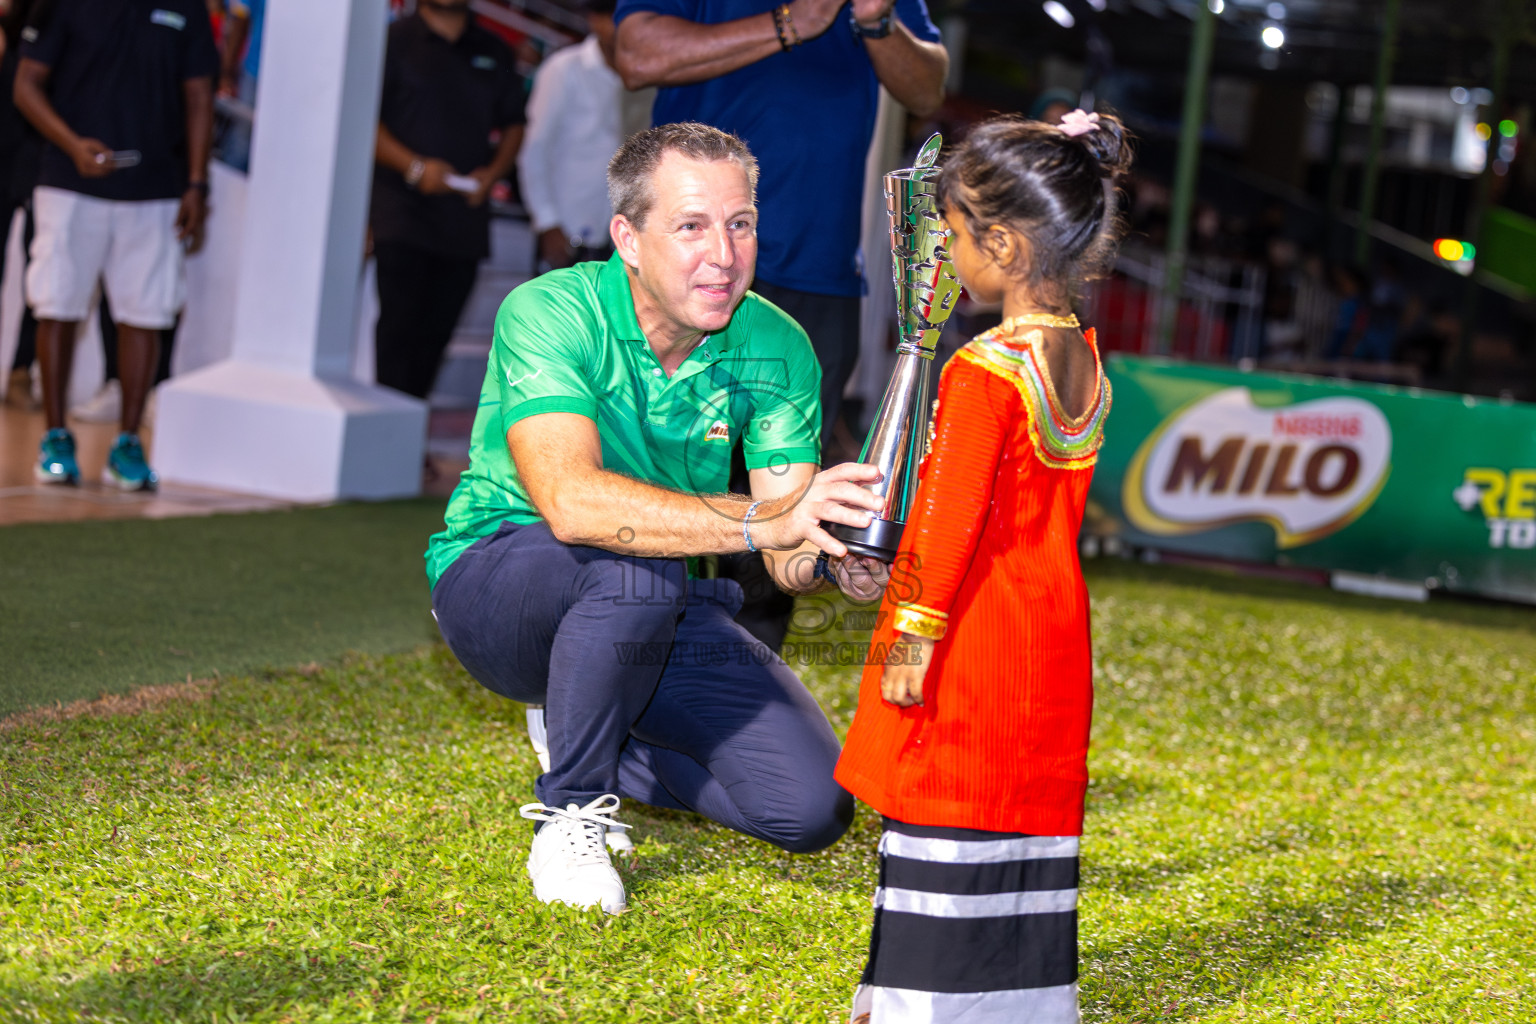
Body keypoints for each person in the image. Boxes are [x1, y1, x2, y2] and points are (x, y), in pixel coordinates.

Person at [427, 122, 891, 915]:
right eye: (691, 225)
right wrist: (767, 519)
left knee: (811, 809)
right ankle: (571, 810)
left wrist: (828, 553)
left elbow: (784, 550)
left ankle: (590, 723)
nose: (723, 251)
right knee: (631, 557)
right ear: (628, 238)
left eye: (740, 223)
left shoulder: (777, 344)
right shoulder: (550, 310)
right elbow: (574, 505)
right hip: (501, 580)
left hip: (651, 603)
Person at [835, 109, 1130, 1024]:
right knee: (1022, 799)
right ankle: (1024, 1000)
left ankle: (928, 999)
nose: (949, 257)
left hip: (969, 626)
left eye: (957, 236)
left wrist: (912, 632)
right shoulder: (1080, 353)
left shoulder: (983, 369)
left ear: (1002, 244)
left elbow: (946, 524)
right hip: (1051, 630)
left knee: (945, 791)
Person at [613, 0, 947, 451]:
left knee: (787, 487)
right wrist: (789, 23)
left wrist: (877, 22)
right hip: (690, 260)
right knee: (658, 466)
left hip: (821, 267)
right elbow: (637, 55)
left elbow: (927, 91)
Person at [15, 0, 216, 490]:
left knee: (146, 314)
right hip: (68, 181)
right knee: (57, 304)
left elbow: (199, 95)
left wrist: (196, 183)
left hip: (156, 186)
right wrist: (71, 143)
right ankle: (56, 437)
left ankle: (128, 443)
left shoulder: (185, 8)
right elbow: (25, 85)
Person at [370, 0, 526, 403]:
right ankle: (388, 446)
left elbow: (514, 123)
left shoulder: (494, 49)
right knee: (397, 338)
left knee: (433, 342)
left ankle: (406, 448)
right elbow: (363, 118)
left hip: (465, 221)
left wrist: (492, 174)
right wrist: (414, 168)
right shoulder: (392, 40)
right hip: (400, 214)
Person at [518, 0, 625, 272]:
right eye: (616, 16)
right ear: (596, 21)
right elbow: (534, 150)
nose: (625, 25)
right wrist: (547, 223)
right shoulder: (563, 68)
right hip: (567, 231)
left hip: (617, 239)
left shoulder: (643, 75)